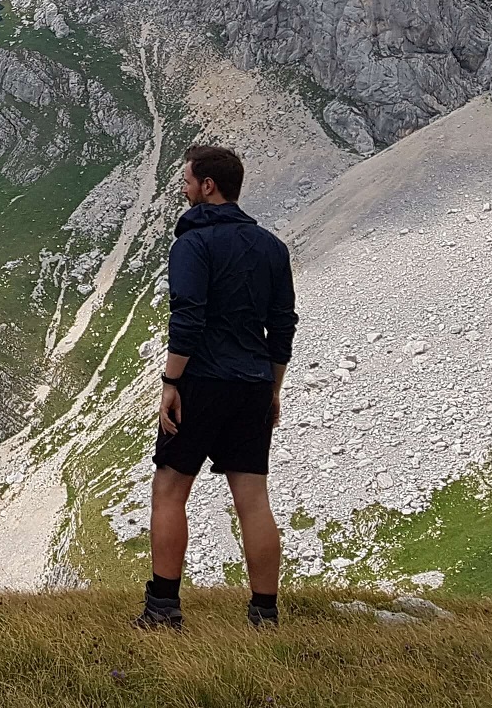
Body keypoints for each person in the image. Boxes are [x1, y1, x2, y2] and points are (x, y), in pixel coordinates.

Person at [134, 144, 296, 630]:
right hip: (252, 384)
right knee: (253, 498)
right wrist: (273, 388)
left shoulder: (192, 244)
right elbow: (283, 325)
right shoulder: (272, 246)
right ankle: (264, 614)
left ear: (208, 186)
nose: (182, 189)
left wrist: (170, 382)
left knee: (168, 489)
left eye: (186, 181)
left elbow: (188, 317)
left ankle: (163, 609)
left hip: (201, 381)